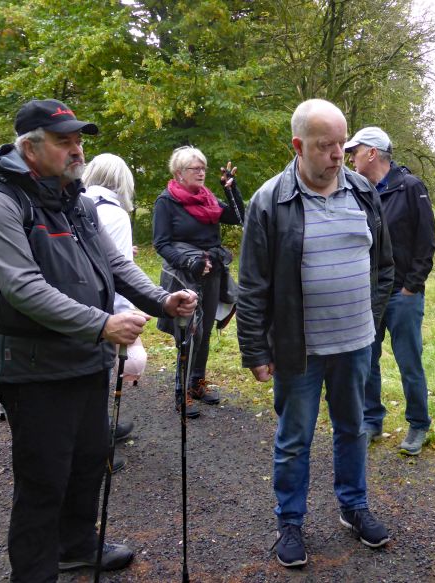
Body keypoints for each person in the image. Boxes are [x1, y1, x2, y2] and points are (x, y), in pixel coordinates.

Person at [0, 98, 197, 582]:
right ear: (30, 149)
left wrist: (162, 300)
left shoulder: (74, 198)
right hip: (32, 366)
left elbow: (114, 263)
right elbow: (22, 287)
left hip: (85, 358)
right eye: (64, 141)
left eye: (78, 141)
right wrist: (100, 324)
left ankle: (75, 546)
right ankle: (33, 573)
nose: (77, 150)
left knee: (91, 459)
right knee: (43, 480)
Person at [237, 99, 395, 567]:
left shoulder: (364, 192)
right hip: (297, 350)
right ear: (297, 145)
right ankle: (290, 520)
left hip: (355, 345)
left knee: (354, 428)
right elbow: (253, 285)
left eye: (342, 145)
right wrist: (254, 349)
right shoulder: (269, 200)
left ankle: (354, 506)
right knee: (294, 438)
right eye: (325, 146)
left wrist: (369, 321)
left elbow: (383, 267)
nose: (337, 156)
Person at [345, 126, 435, 455]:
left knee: (408, 361)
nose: (350, 157)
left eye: (354, 151)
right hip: (370, 293)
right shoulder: (359, 190)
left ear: (372, 152)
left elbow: (426, 242)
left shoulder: (410, 187)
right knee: (367, 359)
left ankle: (418, 423)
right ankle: (372, 421)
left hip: (403, 295)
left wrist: (413, 286)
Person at [152, 147, 244, 418]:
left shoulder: (208, 199)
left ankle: (197, 383)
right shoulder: (166, 202)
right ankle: (181, 391)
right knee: (189, 332)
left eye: (203, 167)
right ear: (179, 173)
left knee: (204, 329)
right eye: (195, 168)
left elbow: (238, 217)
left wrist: (230, 189)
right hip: (184, 275)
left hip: (213, 272)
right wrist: (188, 262)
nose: (202, 172)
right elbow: (161, 244)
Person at [82, 153, 147, 448]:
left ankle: (96, 431)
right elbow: (120, 274)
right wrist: (127, 323)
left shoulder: (77, 204)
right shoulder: (116, 213)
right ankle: (97, 443)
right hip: (103, 307)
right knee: (99, 373)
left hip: (75, 302)